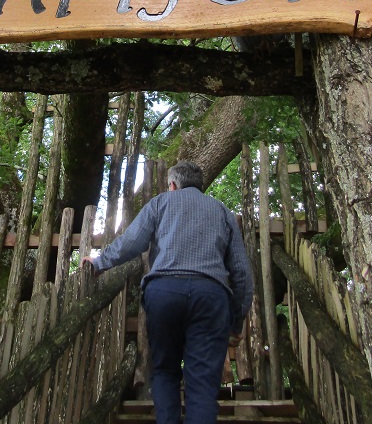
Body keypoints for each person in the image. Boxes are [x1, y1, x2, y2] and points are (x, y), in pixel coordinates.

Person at [83, 160, 254, 424]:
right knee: (204, 382)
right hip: (210, 296)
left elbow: (132, 242)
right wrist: (236, 322)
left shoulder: (160, 203)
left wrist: (100, 262)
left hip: (164, 293)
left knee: (164, 371)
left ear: (172, 184)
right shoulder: (222, 212)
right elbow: (242, 272)